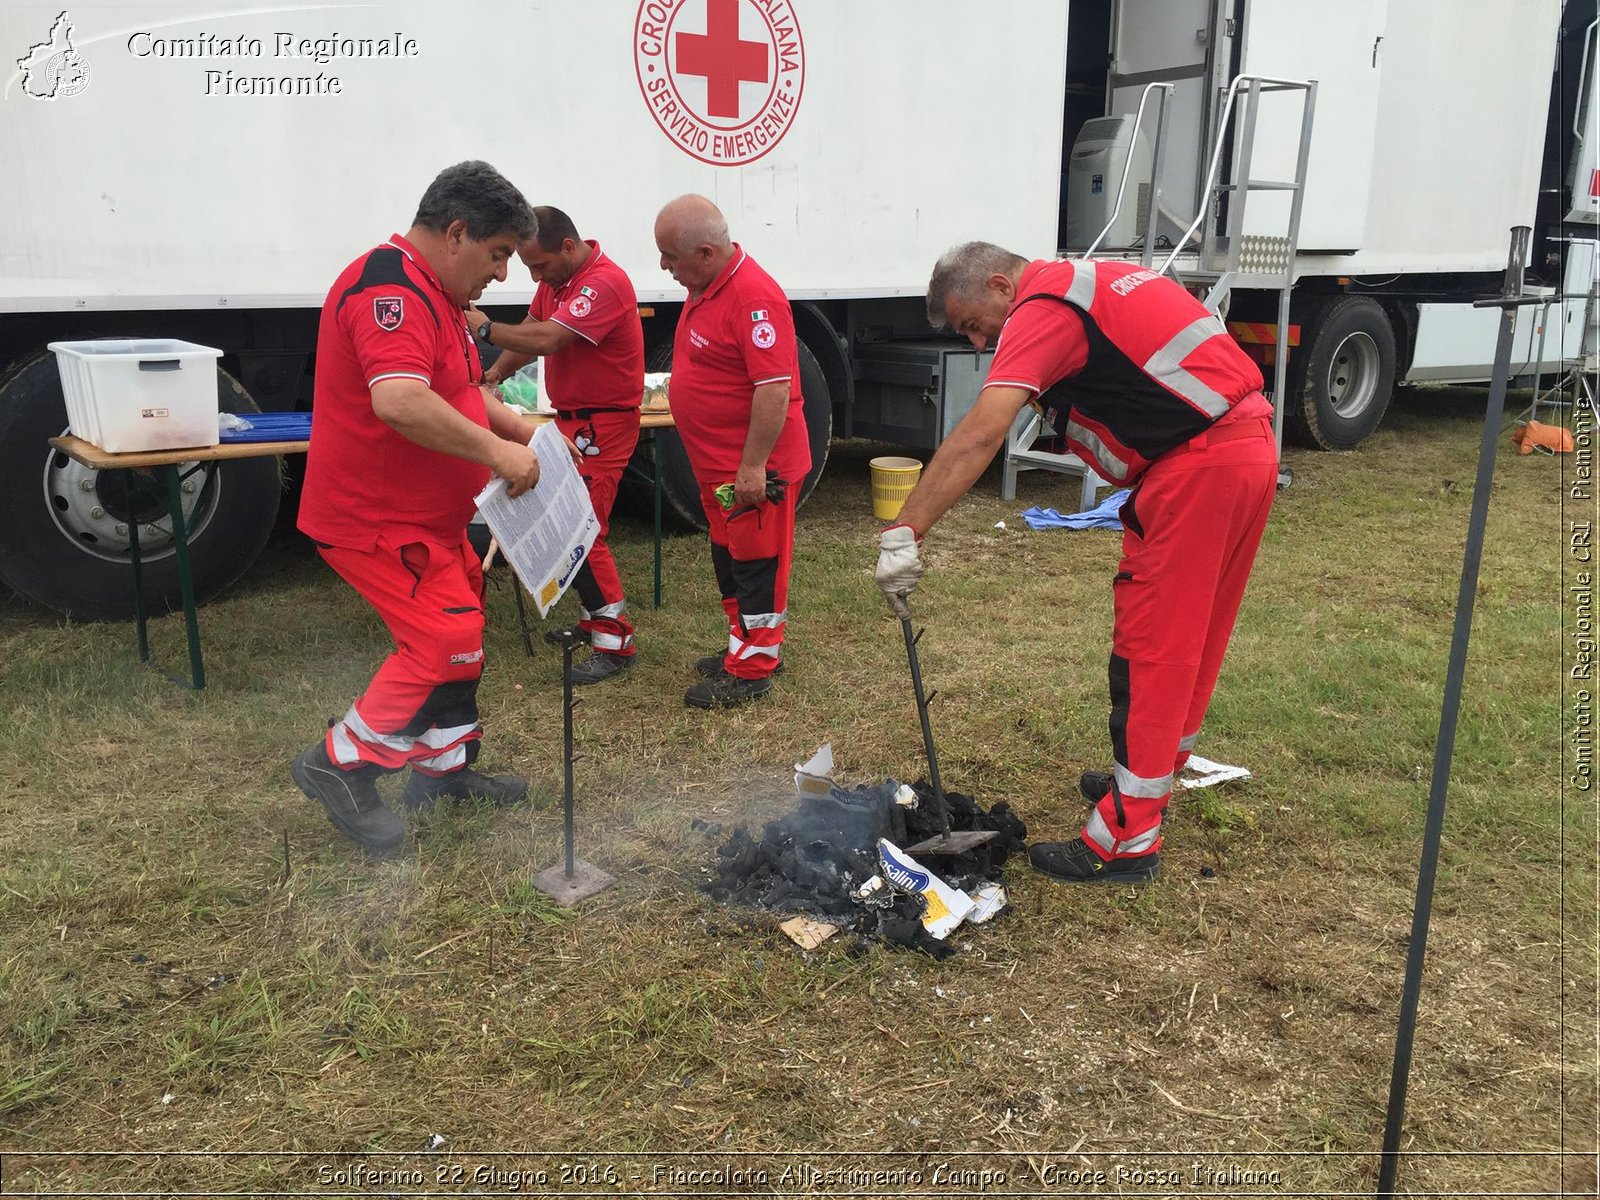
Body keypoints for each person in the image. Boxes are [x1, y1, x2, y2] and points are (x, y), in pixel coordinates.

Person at [875, 242, 1278, 885]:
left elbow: (982, 431)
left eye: (972, 324)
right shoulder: (1092, 280)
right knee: (1193, 637)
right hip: (1244, 447)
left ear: (1002, 286)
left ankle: (1126, 839)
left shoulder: (1044, 309)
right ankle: (1149, 779)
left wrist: (905, 531)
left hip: (1197, 467)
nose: (979, 343)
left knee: (1153, 647)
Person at [293, 161, 543, 853]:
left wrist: (515, 429)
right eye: (497, 256)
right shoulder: (388, 290)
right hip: (375, 520)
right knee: (442, 643)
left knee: (464, 643)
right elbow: (399, 400)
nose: (500, 276)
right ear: (457, 232)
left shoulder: (433, 292)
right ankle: (338, 765)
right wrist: (499, 457)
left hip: (426, 518)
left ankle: (443, 772)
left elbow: (456, 389)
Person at [466, 207, 646, 685]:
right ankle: (594, 621)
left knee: (582, 530)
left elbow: (548, 338)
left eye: (539, 266)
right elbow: (530, 332)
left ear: (568, 247)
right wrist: (495, 373)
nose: (535, 276)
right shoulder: (557, 282)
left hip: (602, 424)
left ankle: (616, 640)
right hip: (574, 421)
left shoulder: (604, 282)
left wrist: (483, 328)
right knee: (573, 524)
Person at [652, 194, 810, 709]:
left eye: (670, 258)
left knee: (758, 561)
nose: (664, 267)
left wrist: (752, 466)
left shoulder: (753, 297)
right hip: (718, 468)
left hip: (753, 469)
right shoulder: (708, 285)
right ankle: (742, 643)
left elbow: (773, 388)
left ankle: (754, 668)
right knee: (731, 557)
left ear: (703, 252)